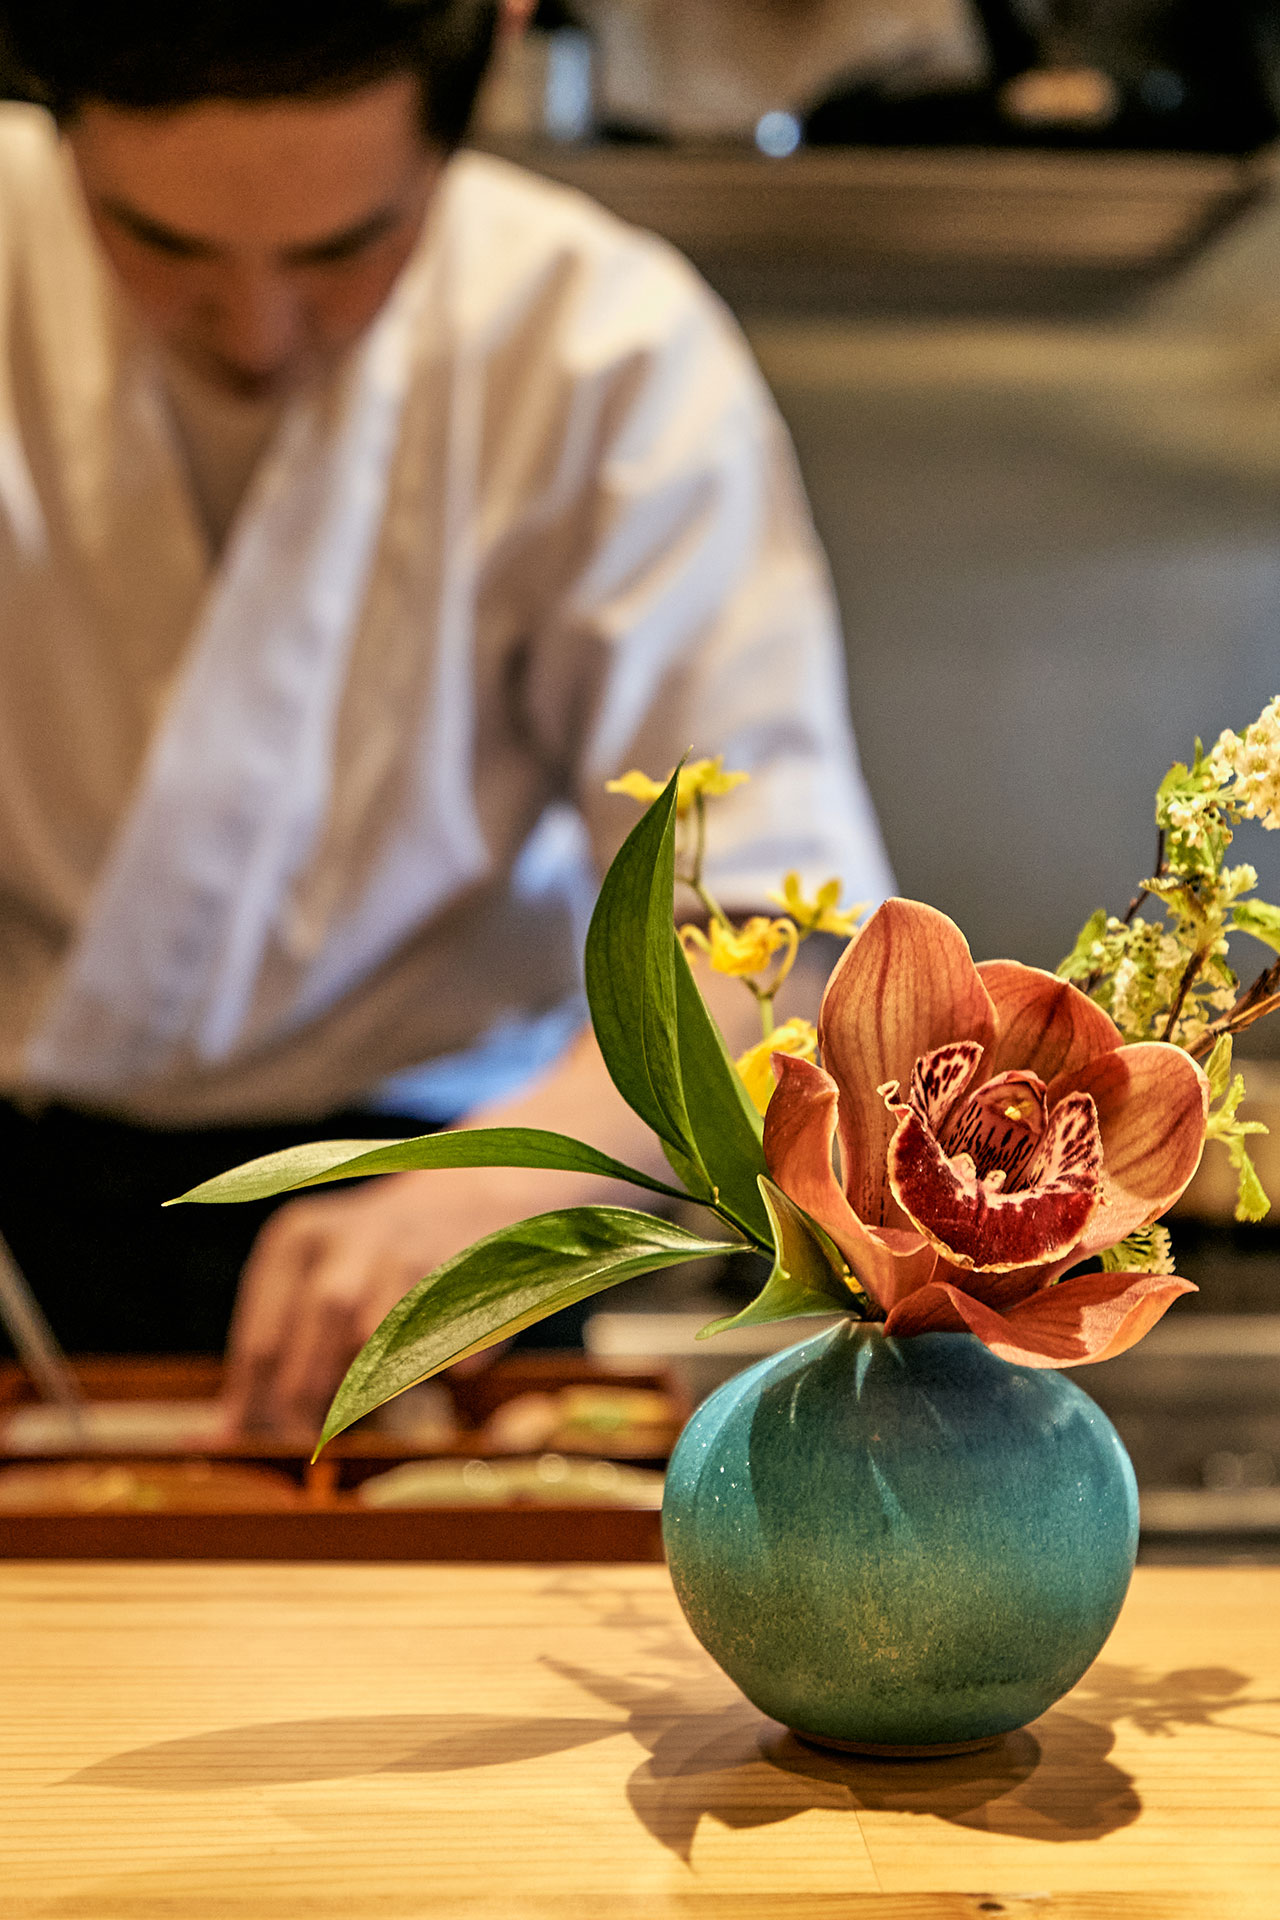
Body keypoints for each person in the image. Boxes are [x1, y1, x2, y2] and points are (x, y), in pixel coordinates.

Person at [0, 0, 893, 1430]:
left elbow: (781, 949)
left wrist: (502, 1187)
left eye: (345, 249)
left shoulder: (603, 352)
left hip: (462, 1203)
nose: (257, 325)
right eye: (159, 246)